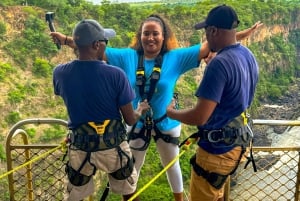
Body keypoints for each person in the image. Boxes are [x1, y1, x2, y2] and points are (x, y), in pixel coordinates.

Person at [51, 15, 262, 201]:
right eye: (146, 34)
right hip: (137, 122)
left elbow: (214, 43)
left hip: (166, 123)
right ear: (140, 36)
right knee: (132, 170)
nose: (150, 38)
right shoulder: (126, 57)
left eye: (155, 34)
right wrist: (68, 40)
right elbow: (91, 47)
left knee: (172, 168)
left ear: (164, 36)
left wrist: (241, 35)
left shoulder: (176, 57)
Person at [166, 5, 259, 201]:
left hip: (217, 153)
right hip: (238, 144)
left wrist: (171, 112)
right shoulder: (246, 55)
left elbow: (200, 116)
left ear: (214, 30)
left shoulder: (219, 64)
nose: (206, 37)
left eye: (206, 31)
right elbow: (237, 95)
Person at [53, 19, 150, 201]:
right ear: (97, 45)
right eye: (105, 42)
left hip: (80, 146)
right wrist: (141, 109)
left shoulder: (60, 73)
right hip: (112, 147)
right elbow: (130, 119)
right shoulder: (116, 75)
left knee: (75, 196)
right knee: (129, 192)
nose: (106, 46)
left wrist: (68, 41)